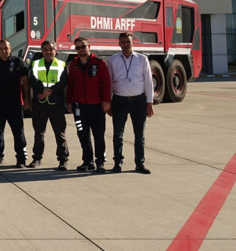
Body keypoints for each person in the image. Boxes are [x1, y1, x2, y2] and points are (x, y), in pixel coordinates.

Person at [107, 32, 154, 174]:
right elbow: (109, 82)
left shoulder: (142, 59)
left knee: (139, 134)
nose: (126, 44)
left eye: (128, 41)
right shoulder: (113, 60)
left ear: (133, 42)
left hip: (138, 101)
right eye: (123, 42)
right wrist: (108, 102)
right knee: (118, 134)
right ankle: (118, 163)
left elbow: (148, 81)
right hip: (119, 101)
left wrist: (149, 102)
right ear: (119, 43)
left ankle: (140, 164)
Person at [66, 37, 111, 173]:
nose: (81, 49)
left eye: (83, 46)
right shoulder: (73, 66)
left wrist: (107, 100)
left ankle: (100, 162)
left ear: (89, 47)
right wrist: (69, 102)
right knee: (82, 134)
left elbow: (106, 83)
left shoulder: (99, 63)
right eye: (78, 47)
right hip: (79, 108)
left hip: (96, 107)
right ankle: (87, 161)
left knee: (98, 135)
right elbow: (70, 85)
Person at [0, 39, 30, 167]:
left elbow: (25, 81)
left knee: (18, 132)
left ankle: (21, 159)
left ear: (10, 48)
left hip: (14, 105)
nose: (3, 51)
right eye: (1, 48)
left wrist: (27, 99)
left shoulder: (18, 62)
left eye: (6, 48)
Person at [27, 41, 69, 170]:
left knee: (60, 133)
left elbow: (63, 82)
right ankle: (37, 158)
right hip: (39, 104)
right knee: (39, 133)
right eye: (45, 49)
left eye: (51, 49)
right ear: (42, 51)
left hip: (56, 103)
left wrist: (47, 92)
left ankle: (63, 160)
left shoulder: (62, 64)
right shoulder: (35, 64)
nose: (48, 52)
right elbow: (32, 80)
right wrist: (41, 91)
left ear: (55, 51)